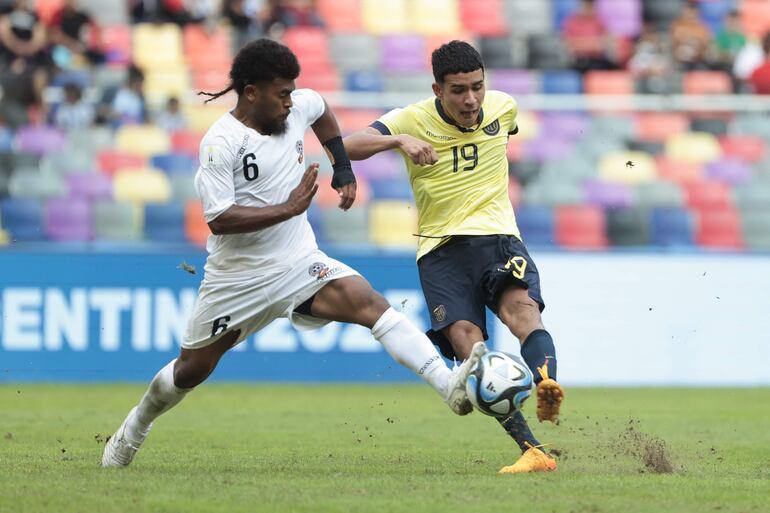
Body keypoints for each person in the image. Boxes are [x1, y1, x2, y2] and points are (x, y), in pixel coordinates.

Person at [101, 38, 485, 468]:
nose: (290, 101)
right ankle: (135, 426)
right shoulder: (220, 143)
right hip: (237, 277)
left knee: (370, 303)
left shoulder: (298, 105)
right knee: (191, 370)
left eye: (291, 91)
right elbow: (219, 218)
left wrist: (342, 168)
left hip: (299, 262)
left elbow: (321, 110)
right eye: (282, 93)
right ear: (252, 92)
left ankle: (448, 385)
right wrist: (289, 207)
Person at [343, 40, 564, 474]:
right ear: (437, 90)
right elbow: (346, 145)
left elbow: (503, 131)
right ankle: (533, 450)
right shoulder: (412, 118)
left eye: (477, 87)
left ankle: (546, 381)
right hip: (440, 250)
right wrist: (400, 141)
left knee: (523, 313)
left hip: (496, 235)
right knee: (468, 347)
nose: (471, 100)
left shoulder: (504, 108)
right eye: (459, 90)